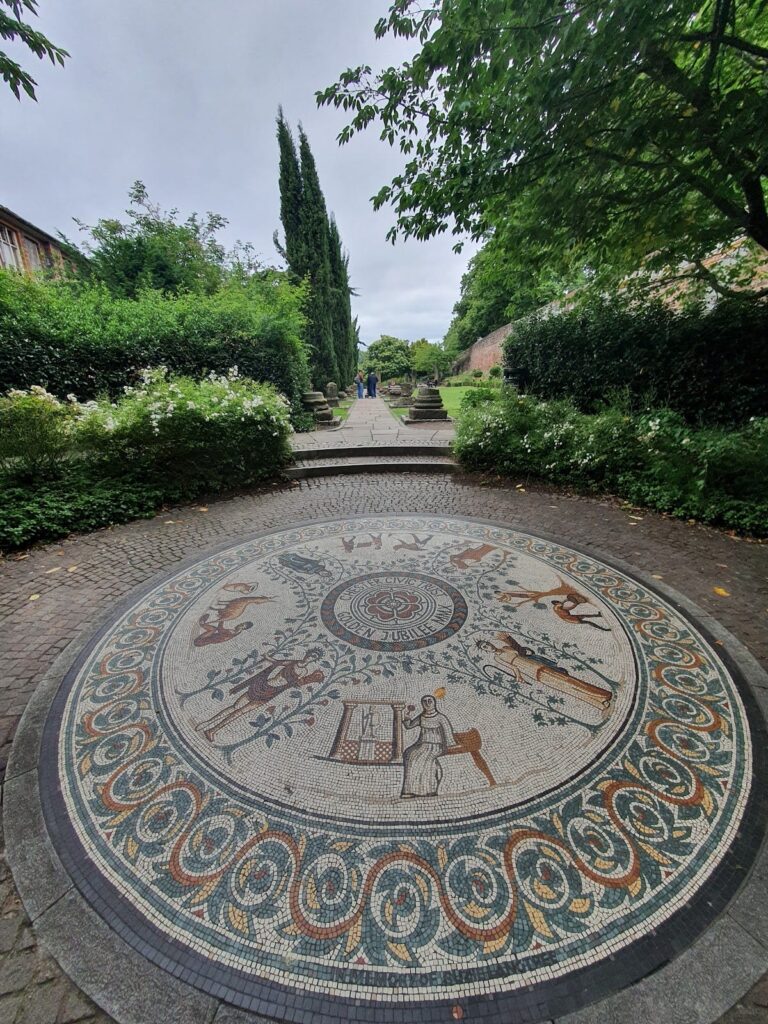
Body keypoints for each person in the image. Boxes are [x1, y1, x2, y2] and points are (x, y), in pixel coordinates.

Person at [401, 695, 456, 798]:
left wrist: (449, 746)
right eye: (424, 701)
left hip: (435, 746)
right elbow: (409, 726)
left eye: (429, 701)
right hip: (422, 744)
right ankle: (410, 790)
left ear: (434, 702)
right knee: (409, 753)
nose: (427, 703)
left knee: (421, 757)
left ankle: (429, 790)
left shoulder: (440, 717)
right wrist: (407, 716)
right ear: (422, 704)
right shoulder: (422, 717)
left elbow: (448, 733)